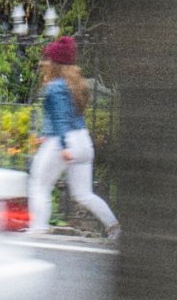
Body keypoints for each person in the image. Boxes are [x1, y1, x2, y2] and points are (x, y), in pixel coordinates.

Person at [28, 36, 120, 238]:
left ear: (55, 63)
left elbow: (61, 119)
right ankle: (114, 226)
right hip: (83, 142)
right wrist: (47, 134)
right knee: (83, 194)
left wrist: (63, 145)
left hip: (63, 142)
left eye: (48, 59)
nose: (44, 63)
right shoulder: (77, 85)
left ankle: (38, 228)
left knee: (39, 184)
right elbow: (67, 115)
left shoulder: (54, 87)